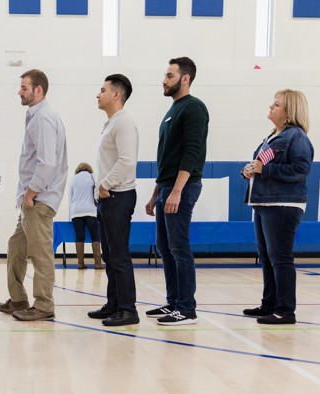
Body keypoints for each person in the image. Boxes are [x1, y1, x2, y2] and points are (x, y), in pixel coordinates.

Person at [0, 69, 68, 322]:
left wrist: (31, 193)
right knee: (16, 247)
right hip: (30, 200)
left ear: (38, 90)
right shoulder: (36, 116)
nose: (19, 91)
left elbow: (47, 163)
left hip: (39, 200)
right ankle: (18, 299)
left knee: (40, 253)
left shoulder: (44, 118)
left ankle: (44, 305)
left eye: (24, 88)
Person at [144, 57, 209, 326]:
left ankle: (186, 308)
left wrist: (177, 191)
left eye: (169, 75)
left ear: (185, 79)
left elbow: (191, 152)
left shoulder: (193, 108)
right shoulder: (173, 110)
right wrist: (155, 194)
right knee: (165, 247)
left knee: (179, 247)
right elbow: (166, 158)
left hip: (182, 187)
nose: (164, 79)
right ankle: (173, 302)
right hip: (167, 186)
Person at [240, 89, 313, 325]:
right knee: (267, 256)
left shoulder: (297, 137)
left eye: (277, 104)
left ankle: (285, 310)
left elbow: (301, 169)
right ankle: (269, 304)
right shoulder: (272, 137)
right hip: (263, 202)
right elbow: (260, 165)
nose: (271, 107)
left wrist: (265, 170)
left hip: (283, 204)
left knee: (280, 258)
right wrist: (248, 171)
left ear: (289, 112)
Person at [86, 73, 140, 327]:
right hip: (107, 198)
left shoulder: (124, 123)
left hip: (118, 196)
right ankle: (114, 304)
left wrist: (105, 184)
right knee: (109, 255)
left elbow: (127, 161)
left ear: (116, 94)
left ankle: (128, 310)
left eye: (102, 89)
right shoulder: (111, 123)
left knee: (119, 256)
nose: (98, 94)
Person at [69, 162, 102, 270]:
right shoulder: (94, 177)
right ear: (89, 169)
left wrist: (70, 215)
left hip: (76, 211)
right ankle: (97, 263)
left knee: (79, 237)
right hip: (90, 211)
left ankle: (80, 263)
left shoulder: (73, 179)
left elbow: (71, 197)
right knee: (95, 236)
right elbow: (98, 193)